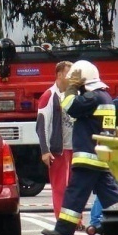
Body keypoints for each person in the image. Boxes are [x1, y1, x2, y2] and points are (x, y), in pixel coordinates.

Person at [42, 60, 118, 235]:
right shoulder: (104, 96)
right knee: (112, 197)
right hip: (99, 155)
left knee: (75, 192)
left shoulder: (92, 97)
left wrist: (72, 88)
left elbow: (69, 106)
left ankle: (63, 230)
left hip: (89, 157)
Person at [87, 76, 118, 235]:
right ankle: (96, 220)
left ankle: (105, 218)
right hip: (115, 151)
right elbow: (109, 129)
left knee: (115, 186)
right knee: (110, 185)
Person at [36, 61, 74, 220]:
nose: (72, 77)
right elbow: (41, 125)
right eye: (69, 74)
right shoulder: (49, 95)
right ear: (59, 75)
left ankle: (74, 219)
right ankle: (62, 219)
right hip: (59, 149)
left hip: (74, 147)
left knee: (74, 186)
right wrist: (45, 151)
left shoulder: (73, 94)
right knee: (60, 186)